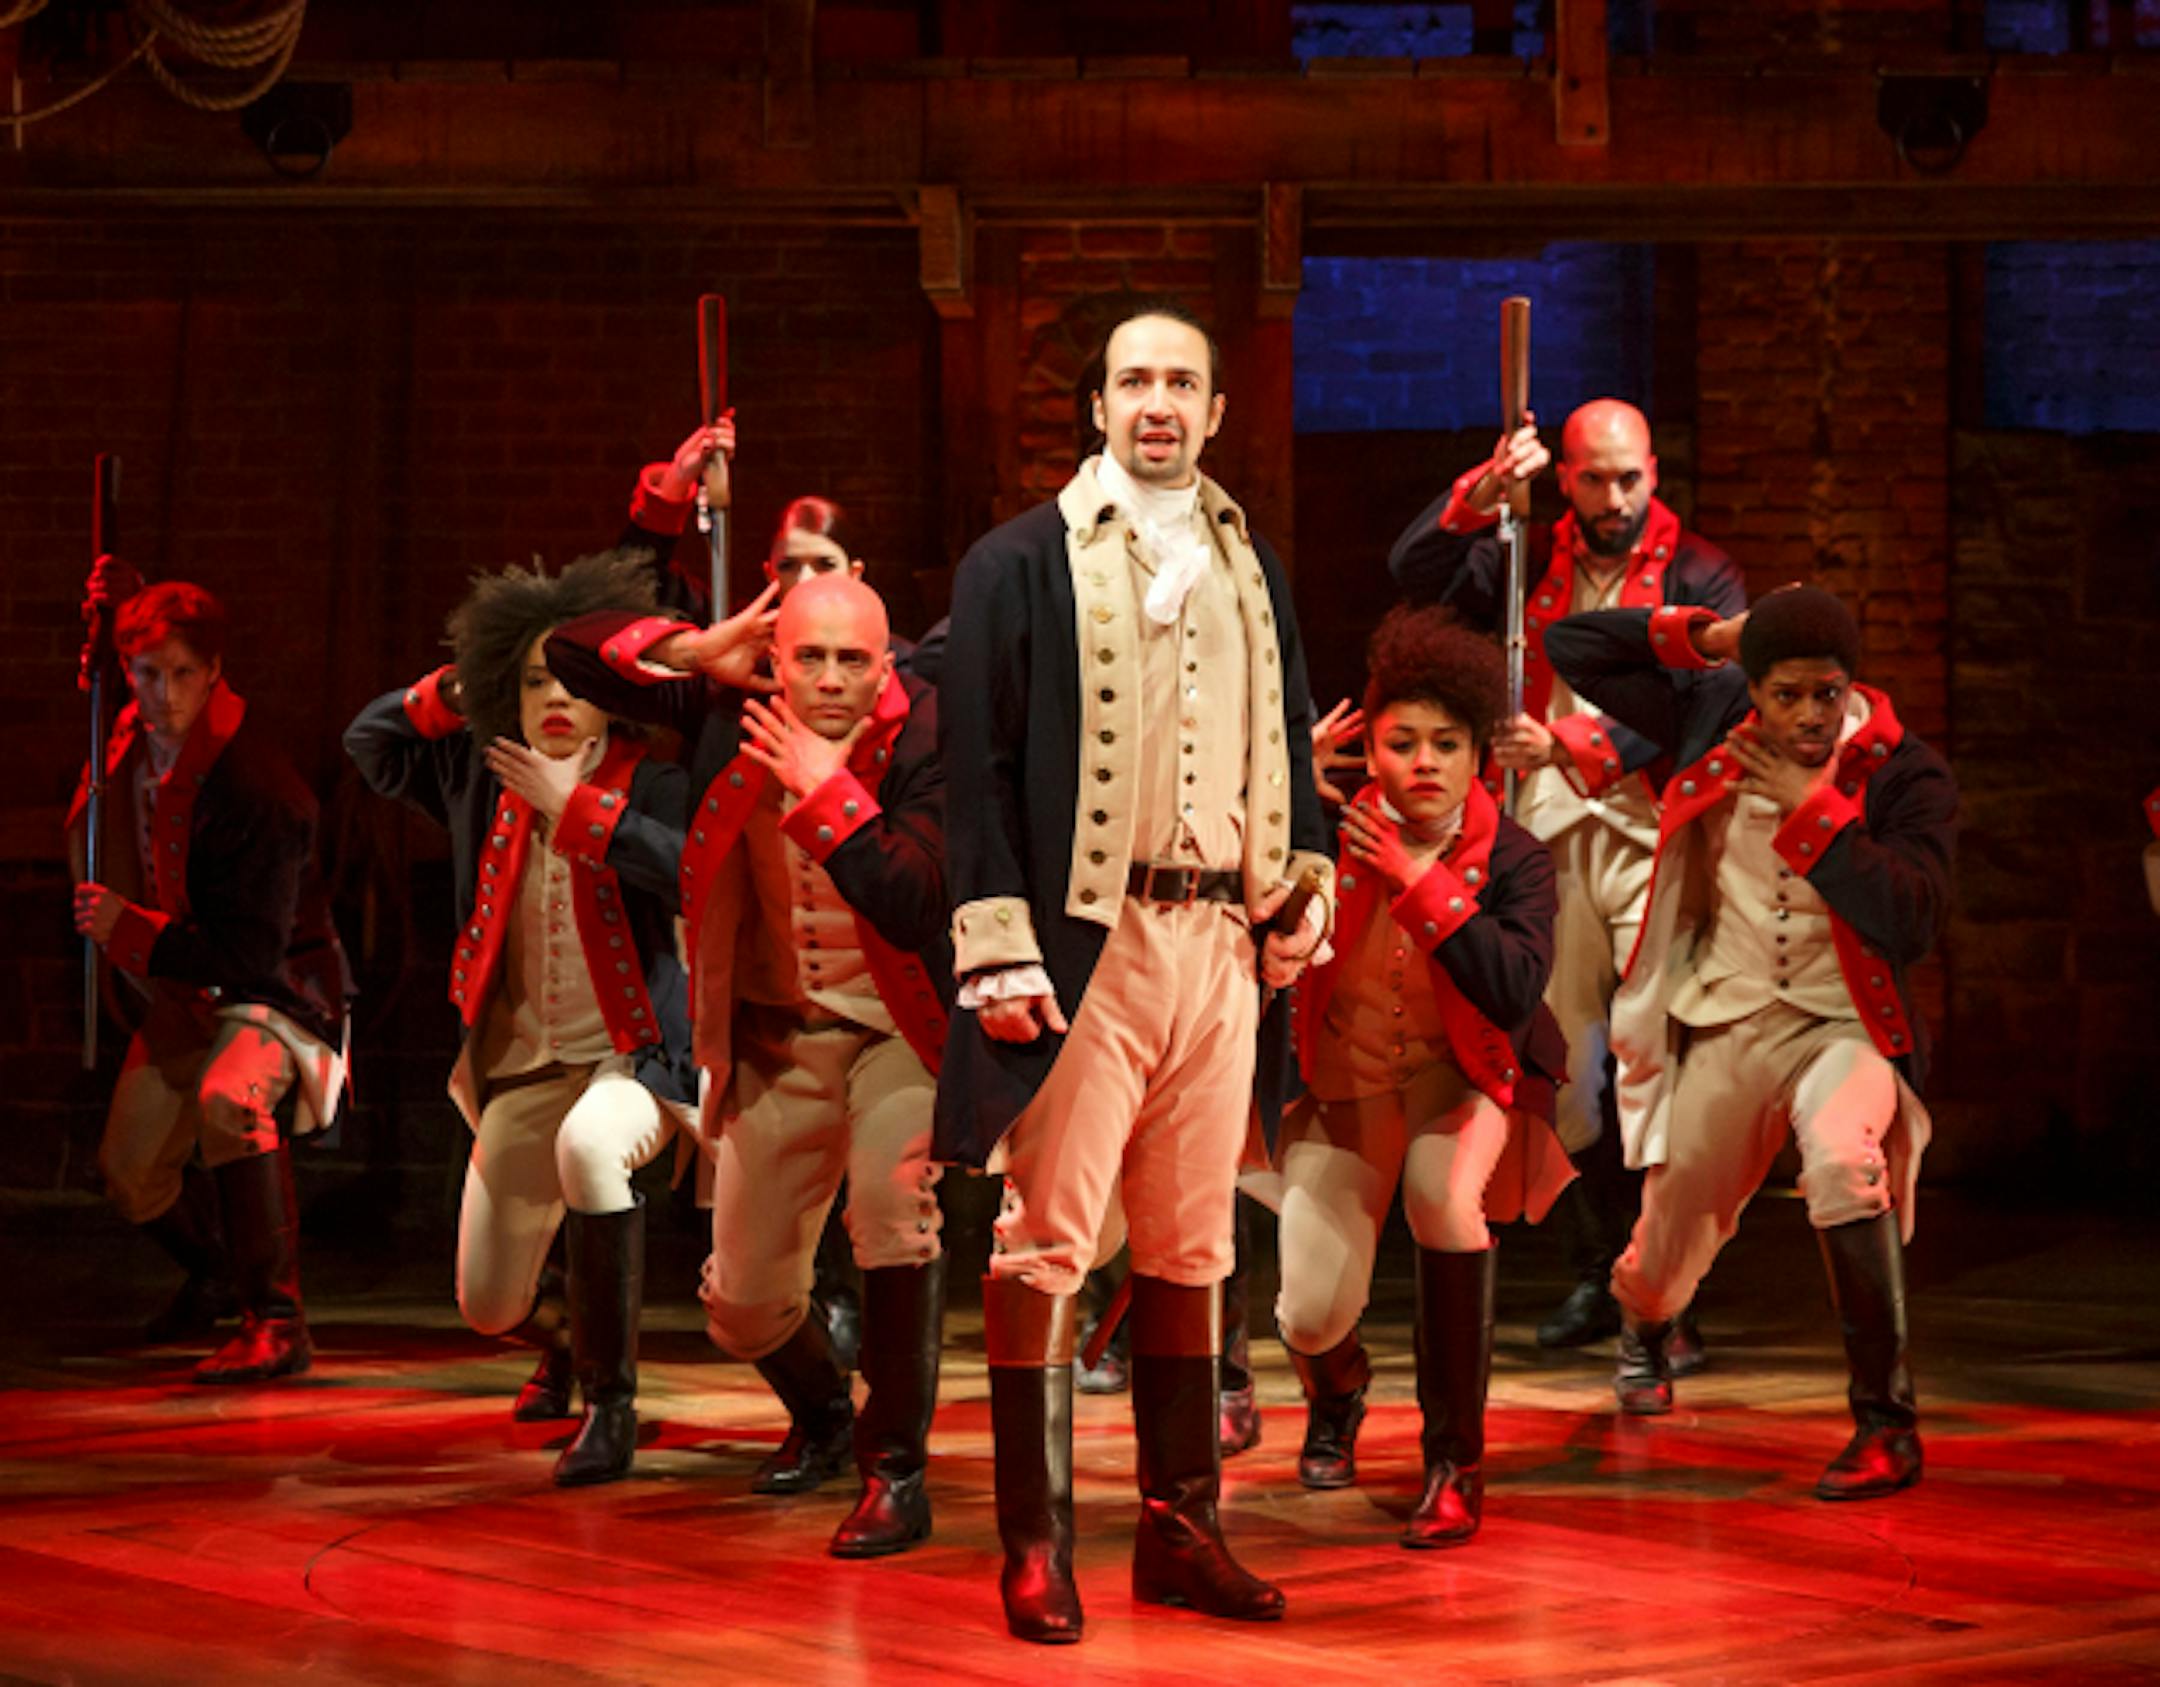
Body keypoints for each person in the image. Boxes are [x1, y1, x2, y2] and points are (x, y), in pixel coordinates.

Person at [937, 299, 1333, 1642]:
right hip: (1081, 941)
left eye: (1182, 382)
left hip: (1219, 941)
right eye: (1134, 381)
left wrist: (1305, 879)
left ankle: (1178, 1526)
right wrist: (995, 946)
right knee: (1046, 1237)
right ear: (1098, 406)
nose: (1157, 402)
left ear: (1216, 411)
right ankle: (1035, 1537)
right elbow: (976, 770)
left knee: (1193, 1240)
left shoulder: (1253, 567)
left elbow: (1286, 744)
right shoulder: (1015, 562)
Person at [545, 572, 952, 1560]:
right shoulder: (736, 703)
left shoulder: (930, 730)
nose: (828, 681)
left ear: (886, 659)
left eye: (853, 660)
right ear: (776, 658)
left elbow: (918, 894)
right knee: (742, 1301)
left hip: (899, 1028)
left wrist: (829, 791)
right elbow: (566, 650)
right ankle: (825, 1417)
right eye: (806, 657)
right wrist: (693, 652)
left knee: (894, 1209)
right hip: (776, 1028)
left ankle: (896, 1470)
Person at [1546, 585, 1956, 1500]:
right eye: (1788, 694)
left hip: (1842, 1021)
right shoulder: (1708, 711)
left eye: (1828, 692)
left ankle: (1887, 1425)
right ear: (1754, 688)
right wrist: (1712, 635)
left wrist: (1817, 810)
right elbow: (1574, 646)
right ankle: (1646, 1323)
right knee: (1664, 1251)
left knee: (1847, 1162)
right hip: (1728, 1013)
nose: (1811, 715)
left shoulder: (1902, 771)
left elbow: (1914, 915)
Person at [1389, 400, 1746, 1356]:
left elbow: (1708, 695)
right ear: (1568, 478)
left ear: (1655, 472)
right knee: (1570, 1059)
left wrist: (1578, 742)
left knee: (1653, 1059)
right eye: (1593, 478)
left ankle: (1669, 1292)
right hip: (1541, 834)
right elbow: (1414, 572)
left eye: (1629, 478)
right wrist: (1482, 492)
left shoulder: (1700, 570)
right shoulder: (1523, 553)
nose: (1614, 498)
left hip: (1649, 826)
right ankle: (1600, 1274)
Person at [343, 553, 697, 1486]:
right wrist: (461, 684)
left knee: (592, 1147)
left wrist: (575, 809)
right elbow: (369, 742)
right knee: (487, 1303)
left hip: (636, 1059)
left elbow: (688, 868)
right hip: (523, 1062)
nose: (553, 699)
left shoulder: (650, 780)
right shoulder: (478, 770)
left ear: (607, 694)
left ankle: (610, 1407)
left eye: (572, 679)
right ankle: (576, 1336)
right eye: (533, 678)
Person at [1264, 603, 1571, 1546]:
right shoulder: (1325, 831)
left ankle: (1454, 1464)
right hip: (1347, 1085)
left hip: (1459, 1081)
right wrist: (1280, 790)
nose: (1425, 763)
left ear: (1481, 753)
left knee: (1445, 1199)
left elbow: (1513, 987)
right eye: (1402, 742)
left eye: (1447, 742)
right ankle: (1338, 1387)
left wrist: (1417, 878)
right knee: (1310, 1312)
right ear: (1372, 748)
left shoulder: (1517, 859)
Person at [70, 574, 352, 1384]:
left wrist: (133, 933)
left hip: (275, 991)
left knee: (231, 1096)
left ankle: (277, 1319)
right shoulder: (128, 738)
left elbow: (251, 953)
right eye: (147, 675)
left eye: (182, 674)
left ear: (216, 670)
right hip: (183, 986)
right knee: (129, 1173)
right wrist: (107, 620)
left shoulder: (257, 787)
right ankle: (217, 1272)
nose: (163, 696)